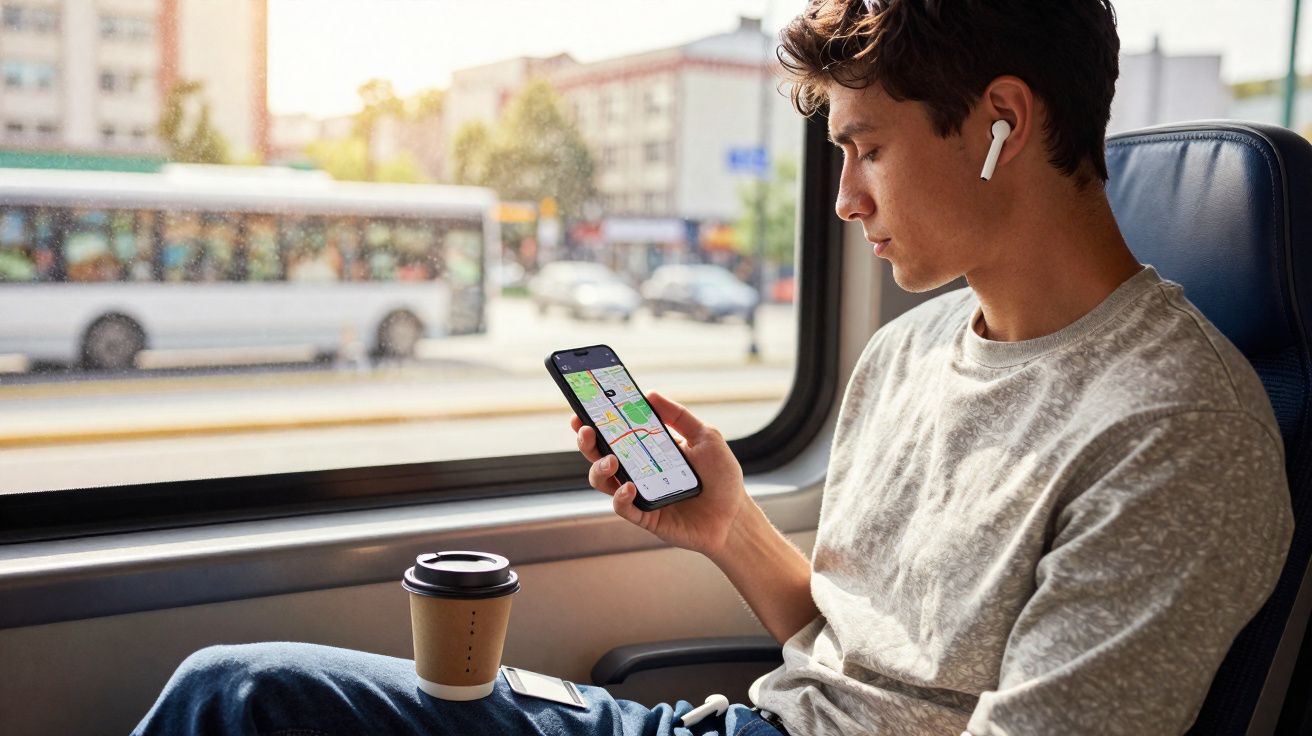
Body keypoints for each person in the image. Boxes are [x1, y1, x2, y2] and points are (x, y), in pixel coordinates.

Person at [131, 0, 1295, 734]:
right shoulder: (907, 351)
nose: (842, 200)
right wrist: (729, 522)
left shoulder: (1173, 431)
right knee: (239, 689)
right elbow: (850, 653)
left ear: (999, 118)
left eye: (867, 149)